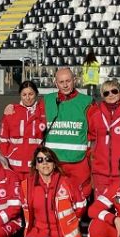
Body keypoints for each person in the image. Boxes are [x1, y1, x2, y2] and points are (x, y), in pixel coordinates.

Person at [20, 146, 86, 237]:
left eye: (48, 159)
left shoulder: (66, 183)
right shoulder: (26, 185)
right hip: (41, 231)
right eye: (40, 160)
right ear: (36, 165)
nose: (44, 163)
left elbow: (81, 205)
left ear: (54, 164)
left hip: (62, 235)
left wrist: (72, 225)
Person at [42, 68, 94, 198]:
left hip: (78, 161)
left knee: (80, 197)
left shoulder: (86, 102)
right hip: (53, 162)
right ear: (56, 83)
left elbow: (94, 131)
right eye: (61, 82)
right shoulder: (46, 100)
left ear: (74, 80)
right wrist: (14, 106)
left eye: (68, 81)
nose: (65, 85)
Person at [0, 80, 45, 180]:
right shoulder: (12, 111)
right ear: (20, 95)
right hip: (14, 166)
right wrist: (6, 157)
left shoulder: (43, 111)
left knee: (33, 194)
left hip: (36, 165)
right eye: (24, 94)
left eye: (31, 94)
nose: (27, 98)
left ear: (36, 94)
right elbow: (3, 139)